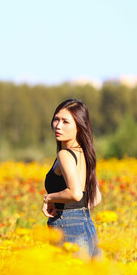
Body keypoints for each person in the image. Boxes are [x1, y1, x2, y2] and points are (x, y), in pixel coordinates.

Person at [42, 99, 102, 258]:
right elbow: (96, 197)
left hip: (67, 227)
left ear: (78, 126)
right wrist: (78, 213)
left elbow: (75, 193)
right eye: (56, 119)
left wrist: (49, 198)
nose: (58, 126)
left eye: (65, 121)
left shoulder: (64, 155)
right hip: (87, 225)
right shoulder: (85, 153)